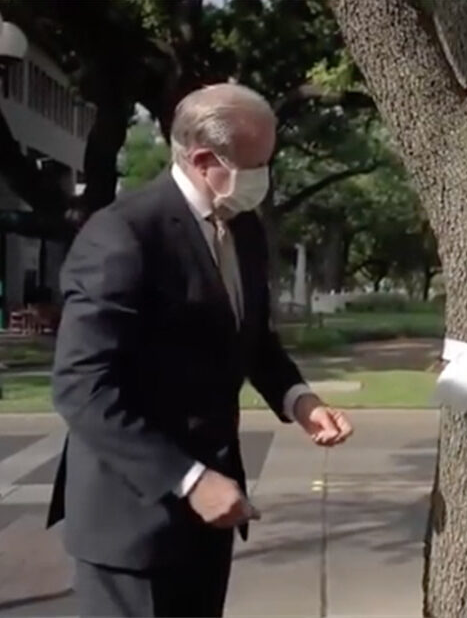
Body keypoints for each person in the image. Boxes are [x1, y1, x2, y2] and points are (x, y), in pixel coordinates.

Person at [47, 83, 354, 618]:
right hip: (133, 520)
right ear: (205, 159)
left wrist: (299, 400)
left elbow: (252, 337)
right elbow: (83, 387)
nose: (266, 177)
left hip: (213, 515)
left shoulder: (245, 229)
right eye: (256, 163)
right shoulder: (123, 236)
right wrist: (188, 480)